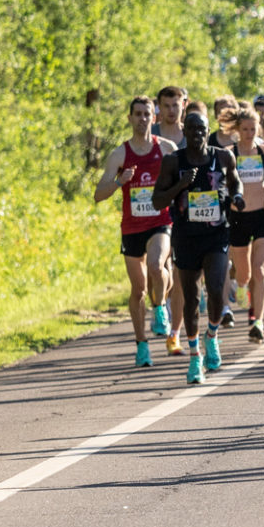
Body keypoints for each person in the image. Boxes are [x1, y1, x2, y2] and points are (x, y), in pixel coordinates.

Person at [154, 111, 240, 384]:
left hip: (216, 234)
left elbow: (235, 180)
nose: (197, 134)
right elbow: (158, 201)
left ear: (207, 130)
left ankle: (212, 335)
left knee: (215, 289)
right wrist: (181, 184)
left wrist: (236, 195)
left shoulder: (223, 156)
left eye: (201, 129)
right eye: (191, 129)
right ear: (184, 131)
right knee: (190, 299)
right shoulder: (173, 162)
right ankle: (194, 357)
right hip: (186, 236)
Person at [94, 96, 175, 366]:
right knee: (138, 289)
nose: (142, 118)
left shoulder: (166, 149)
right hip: (131, 227)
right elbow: (98, 194)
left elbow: (181, 186)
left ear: (155, 118)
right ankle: (141, 344)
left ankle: (161, 307)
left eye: (147, 114)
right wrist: (119, 181)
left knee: (156, 264)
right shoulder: (120, 155)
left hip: (160, 222)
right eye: (137, 114)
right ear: (130, 118)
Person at [226, 108, 264, 342]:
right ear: (237, 130)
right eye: (245, 129)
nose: (250, 133)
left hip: (262, 215)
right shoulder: (229, 153)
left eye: (253, 129)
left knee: (260, 269)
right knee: (244, 272)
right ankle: (241, 284)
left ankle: (258, 321)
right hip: (238, 217)